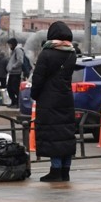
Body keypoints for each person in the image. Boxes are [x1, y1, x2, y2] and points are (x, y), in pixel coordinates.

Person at [30, 22, 77, 182]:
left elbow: (38, 78)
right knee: (65, 133)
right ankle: (65, 171)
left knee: (53, 134)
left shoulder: (47, 53)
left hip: (49, 98)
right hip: (66, 97)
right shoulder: (72, 53)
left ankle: (55, 170)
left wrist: (35, 94)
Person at [5, 37, 25, 108]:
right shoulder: (13, 51)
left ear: (13, 44)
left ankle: (17, 103)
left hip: (16, 73)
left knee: (14, 88)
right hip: (12, 73)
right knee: (9, 88)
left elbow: (20, 61)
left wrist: (13, 66)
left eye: (10, 45)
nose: (9, 46)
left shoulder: (18, 50)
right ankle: (13, 102)